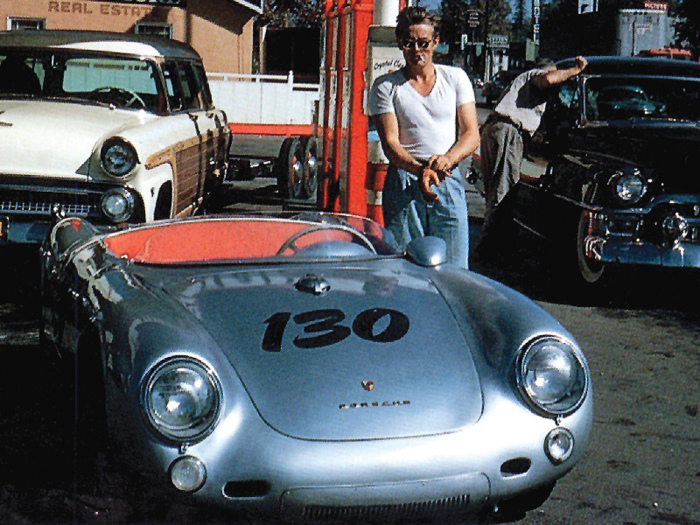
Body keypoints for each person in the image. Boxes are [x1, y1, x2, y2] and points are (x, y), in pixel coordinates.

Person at [369, 6, 480, 269]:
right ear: (400, 43)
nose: (416, 50)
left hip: (447, 177)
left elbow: (471, 133)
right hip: (405, 181)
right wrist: (421, 171)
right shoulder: (385, 86)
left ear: (436, 42)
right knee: (404, 267)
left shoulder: (456, 79)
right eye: (408, 42)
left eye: (423, 43)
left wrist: (446, 161)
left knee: (454, 269)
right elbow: (391, 144)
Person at [479, 56, 588, 233]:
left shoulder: (526, 89)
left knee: (496, 190)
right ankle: (496, 242)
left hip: (497, 129)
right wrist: (575, 70)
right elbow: (548, 79)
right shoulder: (537, 75)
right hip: (508, 131)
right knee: (503, 191)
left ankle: (491, 237)